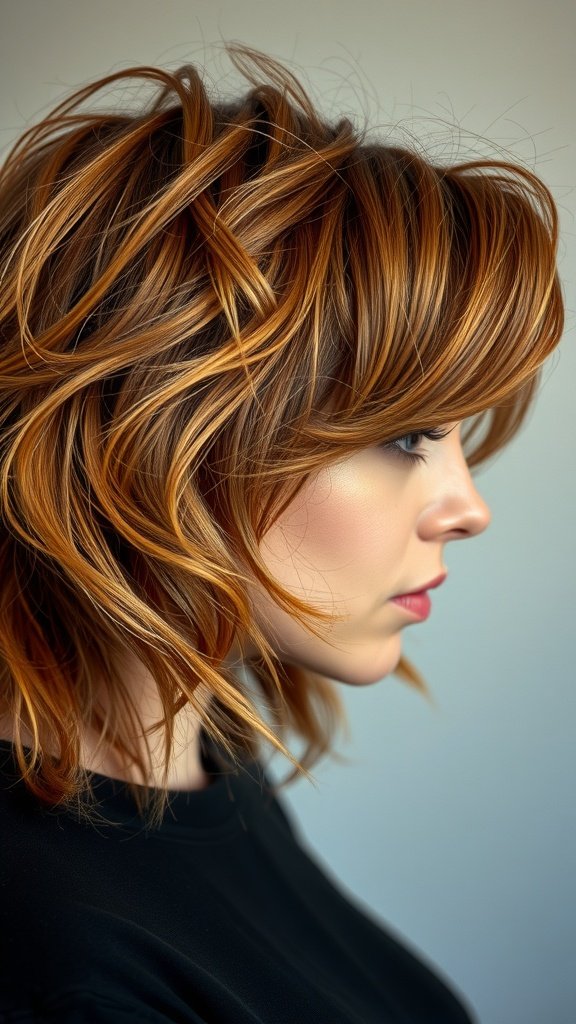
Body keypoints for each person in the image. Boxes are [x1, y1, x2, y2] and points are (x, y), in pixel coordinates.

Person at [0, 42, 564, 1024]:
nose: (467, 507)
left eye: (458, 436)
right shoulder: (70, 978)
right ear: (160, 433)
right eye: (402, 435)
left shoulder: (201, 748)